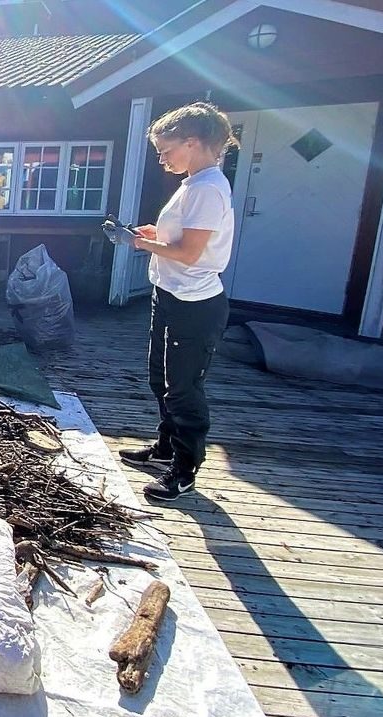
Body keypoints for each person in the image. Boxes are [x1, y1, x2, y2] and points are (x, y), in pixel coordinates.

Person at [117, 101, 237, 502]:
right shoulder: (193, 184)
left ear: (192, 142)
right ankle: (165, 446)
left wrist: (140, 242)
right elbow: (180, 238)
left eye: (166, 150)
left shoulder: (207, 189)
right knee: (160, 379)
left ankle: (184, 470)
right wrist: (154, 233)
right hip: (169, 294)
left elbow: (189, 254)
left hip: (195, 305)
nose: (161, 158)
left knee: (183, 389)